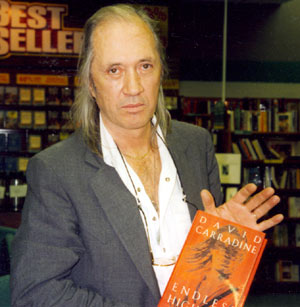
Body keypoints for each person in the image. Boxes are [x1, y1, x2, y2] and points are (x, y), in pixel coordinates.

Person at [10, 4, 283, 307]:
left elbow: (209, 284)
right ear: (91, 83)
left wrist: (228, 248)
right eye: (114, 70)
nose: (134, 87)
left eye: (145, 66)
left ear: (160, 72)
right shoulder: (57, 171)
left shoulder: (195, 145)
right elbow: (37, 292)